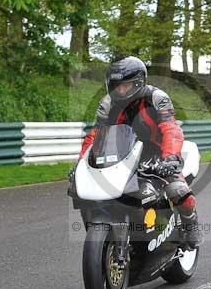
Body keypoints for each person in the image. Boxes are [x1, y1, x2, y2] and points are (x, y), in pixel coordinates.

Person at [73, 56, 202, 249]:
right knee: (85, 192)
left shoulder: (156, 98)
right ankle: (107, 236)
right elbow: (96, 135)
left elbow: (171, 129)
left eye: (125, 85)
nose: (121, 90)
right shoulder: (108, 104)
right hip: (124, 153)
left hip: (157, 151)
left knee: (177, 188)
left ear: (139, 83)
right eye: (116, 85)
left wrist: (171, 158)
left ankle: (190, 223)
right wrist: (81, 163)